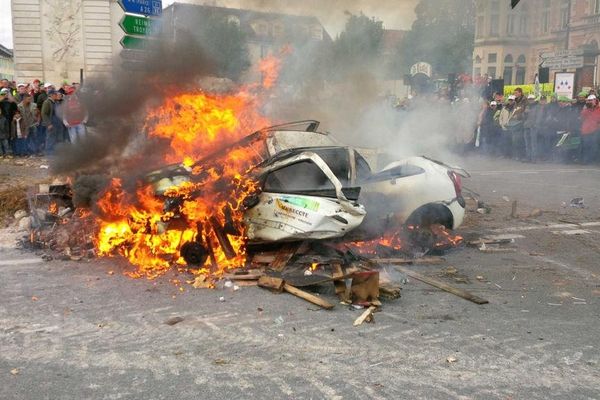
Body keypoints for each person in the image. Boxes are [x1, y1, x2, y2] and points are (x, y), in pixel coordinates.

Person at [579, 94, 600, 164]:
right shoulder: (586, 109)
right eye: (588, 101)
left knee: (594, 146)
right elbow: (581, 118)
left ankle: (594, 160)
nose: (589, 102)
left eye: (590, 100)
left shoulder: (599, 108)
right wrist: (586, 109)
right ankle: (586, 160)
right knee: (586, 145)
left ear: (594, 100)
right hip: (586, 130)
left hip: (595, 130)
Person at [524, 94, 539, 162]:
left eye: (532, 99)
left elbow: (539, 117)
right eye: (529, 99)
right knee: (527, 143)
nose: (530, 100)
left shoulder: (537, 107)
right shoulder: (527, 106)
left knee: (533, 143)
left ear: (534, 99)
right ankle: (528, 157)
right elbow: (523, 117)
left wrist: (535, 124)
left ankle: (534, 158)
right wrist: (525, 113)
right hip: (527, 126)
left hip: (533, 127)